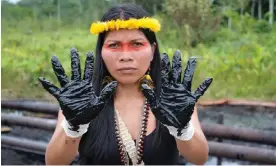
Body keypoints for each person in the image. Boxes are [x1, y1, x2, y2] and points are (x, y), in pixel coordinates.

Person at [39, 3, 213, 165]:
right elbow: (54, 163)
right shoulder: (81, 98)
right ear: (101, 51)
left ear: (152, 50)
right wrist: (73, 126)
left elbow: (199, 159)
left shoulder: (174, 97)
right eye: (114, 45)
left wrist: (181, 128)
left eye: (136, 44)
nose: (125, 56)